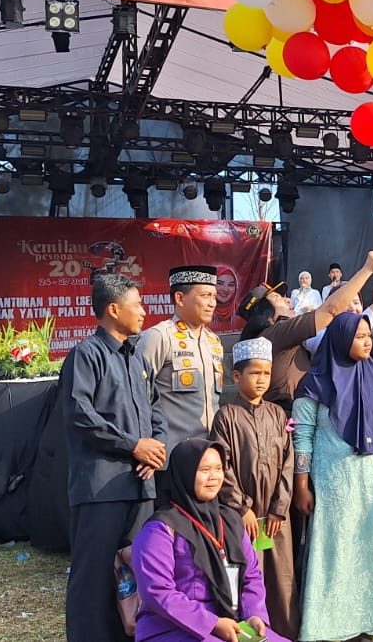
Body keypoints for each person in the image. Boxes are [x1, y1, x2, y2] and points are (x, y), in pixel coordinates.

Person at [292, 312, 373, 641]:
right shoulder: (315, 382)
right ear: (342, 339)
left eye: (369, 336)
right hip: (333, 480)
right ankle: (331, 624)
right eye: (360, 337)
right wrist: (301, 484)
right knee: (337, 545)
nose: (367, 342)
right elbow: (303, 435)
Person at [61, 273, 166, 642]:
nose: (144, 311)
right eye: (137, 304)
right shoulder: (86, 355)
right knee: (93, 580)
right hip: (101, 488)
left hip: (141, 487)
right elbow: (80, 415)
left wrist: (155, 449)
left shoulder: (136, 358)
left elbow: (155, 411)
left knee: (137, 575)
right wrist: (133, 446)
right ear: (113, 309)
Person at [131, 438, 291, 642]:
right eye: (204, 470)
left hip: (231, 623)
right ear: (186, 474)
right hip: (173, 628)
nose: (214, 477)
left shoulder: (231, 521)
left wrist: (254, 615)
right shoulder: (160, 529)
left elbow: (251, 575)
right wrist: (212, 624)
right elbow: (157, 591)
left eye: (218, 469)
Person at [209, 338, 298, 639]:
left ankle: (284, 634)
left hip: (275, 519)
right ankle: (250, 634)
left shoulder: (278, 414)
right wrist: (242, 508)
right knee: (248, 576)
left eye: (266, 373)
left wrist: (279, 509)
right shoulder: (226, 417)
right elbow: (222, 467)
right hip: (242, 518)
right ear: (237, 376)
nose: (261, 380)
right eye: (254, 373)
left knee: (282, 578)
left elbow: (288, 463)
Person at [239, 248, 373, 412]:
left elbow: (344, 334)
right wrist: (368, 269)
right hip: (290, 416)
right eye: (277, 298)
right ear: (264, 311)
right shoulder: (277, 333)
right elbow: (331, 310)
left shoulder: (276, 337)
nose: (287, 300)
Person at [139, 266, 223, 487]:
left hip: (208, 458)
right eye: (205, 295)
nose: (212, 303)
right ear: (180, 298)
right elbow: (137, 396)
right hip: (170, 460)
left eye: (214, 296)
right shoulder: (159, 337)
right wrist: (146, 445)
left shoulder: (214, 342)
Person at [211, 265, 240, 333]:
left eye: (231, 285)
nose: (225, 289)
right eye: (220, 283)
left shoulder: (241, 314)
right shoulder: (200, 314)